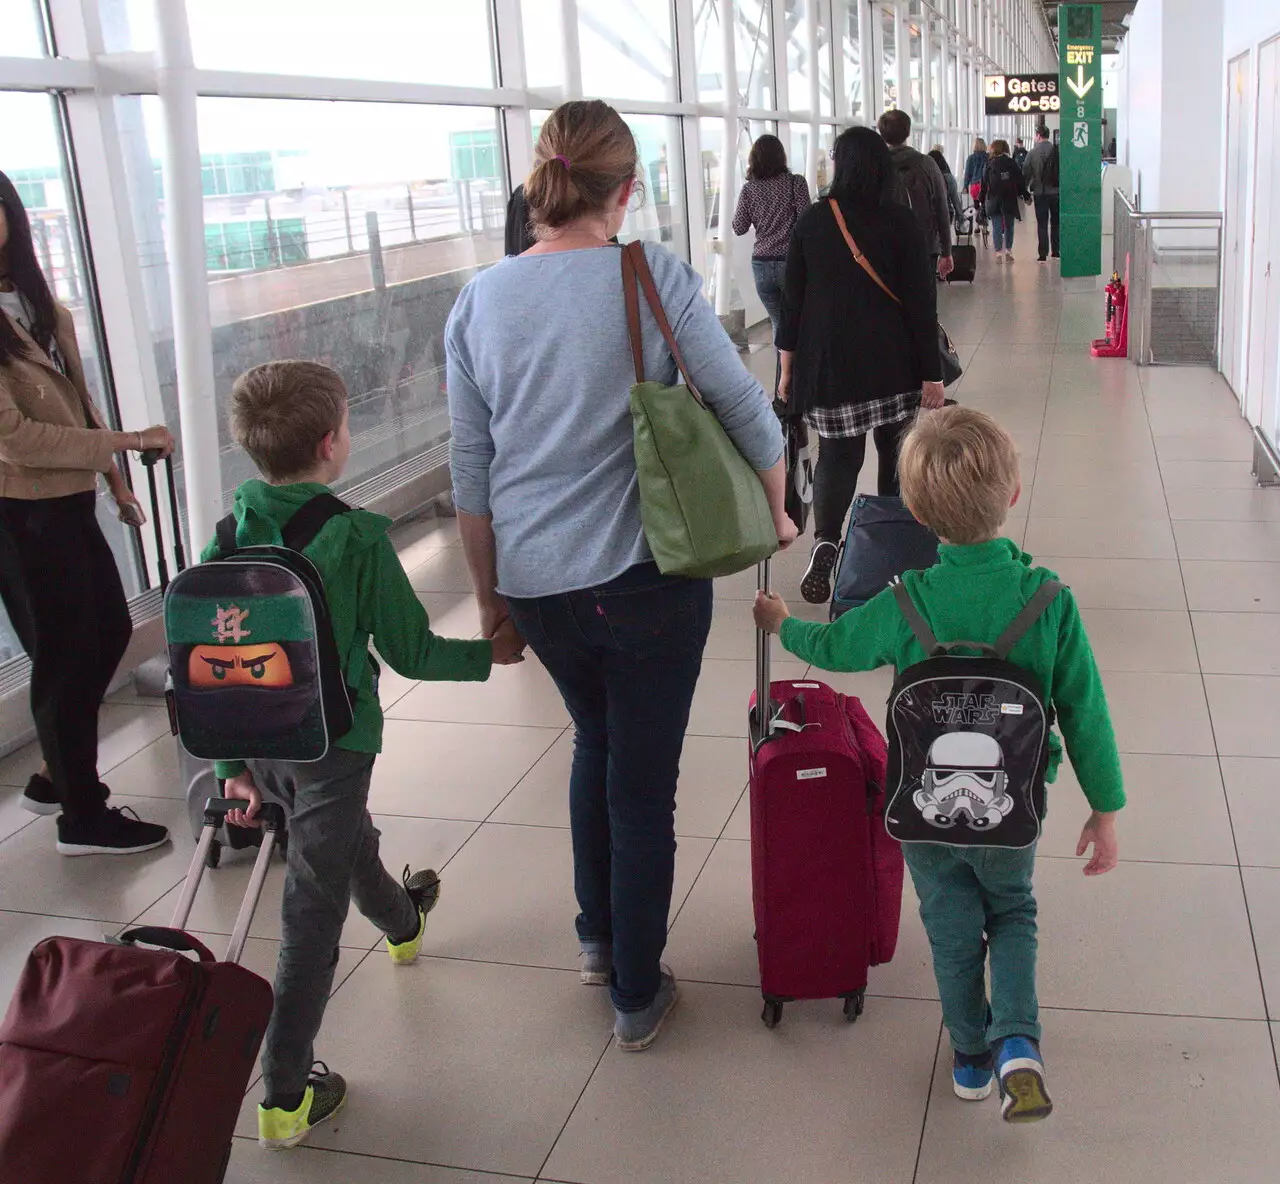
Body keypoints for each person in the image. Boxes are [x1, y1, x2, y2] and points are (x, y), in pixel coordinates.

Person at [445, 100, 792, 1052]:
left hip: (535, 585)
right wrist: (780, 506)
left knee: (594, 742)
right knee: (642, 788)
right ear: (627, 189)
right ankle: (636, 994)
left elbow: (471, 473)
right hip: (645, 579)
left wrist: (490, 603)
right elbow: (744, 406)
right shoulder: (652, 277)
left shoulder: (479, 300)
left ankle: (598, 941)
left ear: (541, 185)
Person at [753, 406, 1124, 1124]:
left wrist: (780, 622)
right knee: (1013, 913)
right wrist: (1104, 809)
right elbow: (1086, 713)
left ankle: (969, 1058)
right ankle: (1018, 1040)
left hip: (919, 810)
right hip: (1012, 812)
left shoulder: (908, 600)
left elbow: (834, 651)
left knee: (952, 928)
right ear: (1012, 496)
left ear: (917, 510)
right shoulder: (1049, 602)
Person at [214, 360, 519, 1149]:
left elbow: (203, 656)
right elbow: (412, 651)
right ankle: (285, 1094)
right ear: (331, 443)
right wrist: (495, 655)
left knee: (342, 840)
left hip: (256, 738)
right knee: (307, 917)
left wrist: (231, 768)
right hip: (333, 743)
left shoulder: (229, 527)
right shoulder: (351, 535)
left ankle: (401, 918)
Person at [0, 169, 176, 856]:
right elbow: (15, 436)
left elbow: (77, 403)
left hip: (69, 502)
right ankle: (83, 814)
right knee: (63, 656)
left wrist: (117, 479)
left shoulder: (40, 307)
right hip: (19, 516)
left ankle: (55, 775)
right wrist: (126, 443)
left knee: (105, 633)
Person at [776, 126, 944, 605]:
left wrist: (787, 372)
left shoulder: (812, 221)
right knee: (894, 455)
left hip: (831, 368)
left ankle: (828, 542)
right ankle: (886, 550)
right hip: (894, 364)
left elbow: (793, 304)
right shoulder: (902, 221)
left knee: (839, 456)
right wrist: (932, 375)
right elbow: (920, 304)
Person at [731, 134, 811, 383]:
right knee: (800, 321)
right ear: (781, 156)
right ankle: (796, 380)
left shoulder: (749, 190)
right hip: (792, 263)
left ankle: (782, 385)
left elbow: (738, 227)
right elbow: (807, 220)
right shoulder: (795, 183)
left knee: (779, 322)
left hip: (762, 265)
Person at [877, 110, 953, 280]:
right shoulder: (927, 164)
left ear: (882, 134)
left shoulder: (875, 167)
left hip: (885, 247)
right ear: (908, 132)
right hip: (924, 245)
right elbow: (941, 207)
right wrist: (946, 251)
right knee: (923, 299)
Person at [980, 140, 1026, 264]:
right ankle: (1009, 251)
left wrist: (981, 200)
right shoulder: (1011, 163)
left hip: (993, 199)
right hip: (1009, 198)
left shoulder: (988, 164)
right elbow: (1020, 180)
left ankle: (998, 252)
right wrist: (1026, 196)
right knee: (1009, 226)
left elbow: (984, 185)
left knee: (996, 226)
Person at [1024, 127, 1060, 262]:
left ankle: (1043, 253)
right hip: (1056, 192)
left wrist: (1025, 192)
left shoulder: (1032, 153)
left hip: (1040, 193)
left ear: (1038, 136)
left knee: (1042, 224)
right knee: (1056, 223)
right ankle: (1056, 251)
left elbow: (1026, 172)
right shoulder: (1057, 151)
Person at [926, 147, 964, 241]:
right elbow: (955, 200)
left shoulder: (924, 176)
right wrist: (960, 218)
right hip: (945, 212)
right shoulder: (948, 177)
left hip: (928, 212)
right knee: (943, 239)